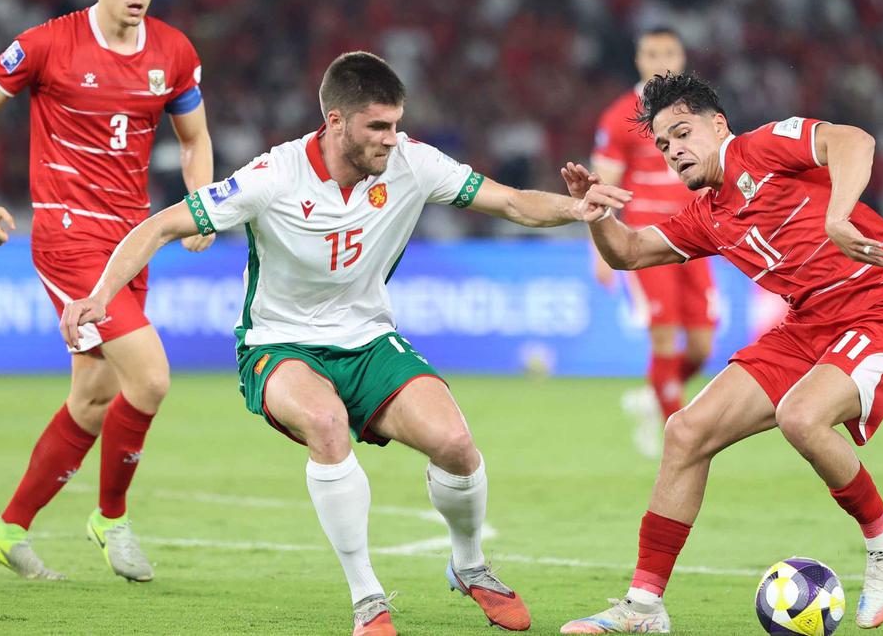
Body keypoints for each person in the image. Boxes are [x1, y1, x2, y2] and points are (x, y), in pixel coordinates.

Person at [60, 51, 606, 635]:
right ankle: (367, 597)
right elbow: (161, 225)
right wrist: (99, 294)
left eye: (396, 124)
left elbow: (512, 201)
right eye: (378, 126)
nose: (391, 139)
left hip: (368, 338)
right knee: (325, 425)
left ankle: (469, 563)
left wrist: (576, 209)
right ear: (336, 122)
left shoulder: (413, 164)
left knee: (455, 444)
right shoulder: (273, 176)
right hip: (278, 345)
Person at [559, 72, 883, 633]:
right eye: (662, 145)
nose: (673, 151)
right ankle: (642, 608)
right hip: (808, 324)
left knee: (801, 416)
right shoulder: (709, 215)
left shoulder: (762, 147)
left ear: (718, 124)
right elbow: (630, 253)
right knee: (686, 432)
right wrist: (597, 214)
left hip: (879, 307)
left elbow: (855, 141)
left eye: (682, 133)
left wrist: (837, 216)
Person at [0, 0, 213, 582]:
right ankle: (111, 517)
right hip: (67, 238)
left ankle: (8, 531)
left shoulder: (174, 52)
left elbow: (196, 136)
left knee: (93, 397)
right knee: (148, 378)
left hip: (132, 239)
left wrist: (201, 201)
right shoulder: (47, 44)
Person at [590, 28, 716, 456]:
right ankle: (678, 440)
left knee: (701, 345)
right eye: (651, 52)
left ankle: (655, 394)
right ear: (638, 59)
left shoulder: (696, 112)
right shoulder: (621, 115)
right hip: (648, 240)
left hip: (698, 236)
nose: (660, 59)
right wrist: (601, 249)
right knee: (664, 339)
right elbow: (601, 185)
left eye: (669, 51)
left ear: (682, 57)